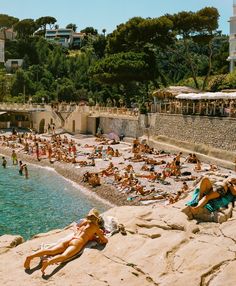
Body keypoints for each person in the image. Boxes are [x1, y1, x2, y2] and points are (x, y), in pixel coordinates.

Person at [24, 209, 108, 275]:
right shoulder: (96, 228)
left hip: (72, 238)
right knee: (64, 256)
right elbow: (104, 240)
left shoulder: (85, 222)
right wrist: (97, 237)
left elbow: (77, 226)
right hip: (78, 242)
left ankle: (30, 257)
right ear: (97, 218)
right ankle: (48, 262)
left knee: (51, 251)